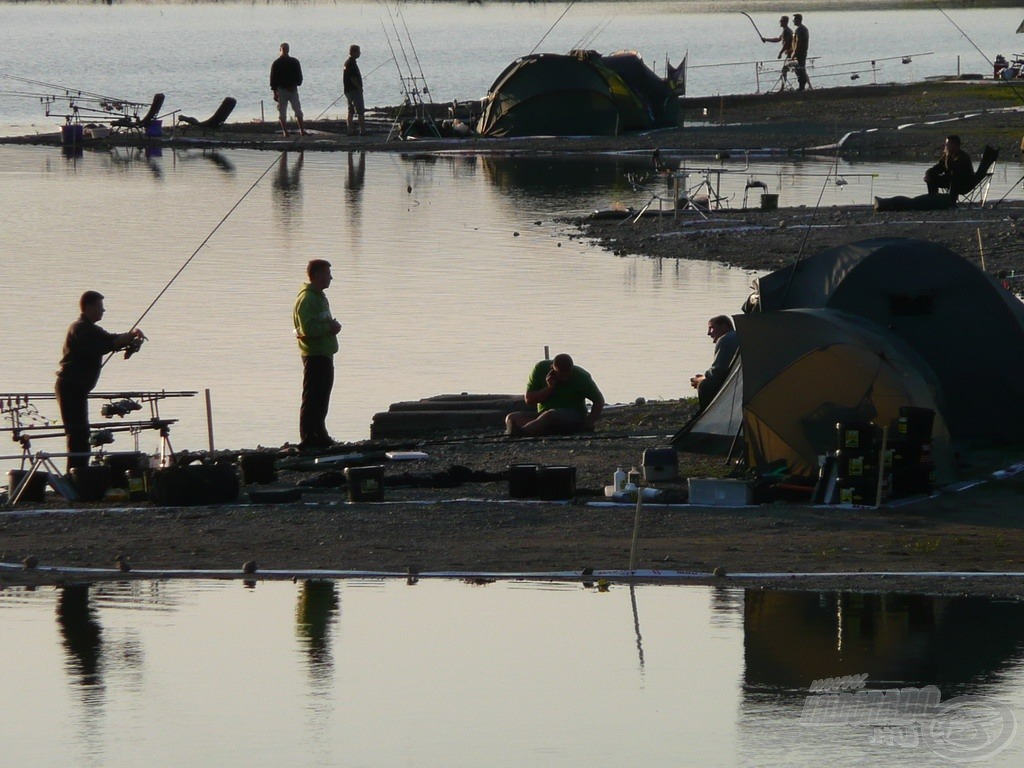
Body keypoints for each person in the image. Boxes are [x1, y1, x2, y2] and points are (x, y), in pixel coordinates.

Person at [55, 291, 145, 471]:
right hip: (69, 387)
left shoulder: (92, 329)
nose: (103, 310)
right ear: (88, 307)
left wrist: (130, 336)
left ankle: (79, 473)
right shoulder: (80, 328)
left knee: (81, 434)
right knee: (77, 434)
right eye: (100, 306)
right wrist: (118, 343)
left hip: (78, 389)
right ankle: (76, 475)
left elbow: (109, 339)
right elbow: (97, 348)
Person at [293, 259, 342, 450]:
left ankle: (320, 433)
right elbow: (307, 328)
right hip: (314, 354)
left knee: (322, 395)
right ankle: (308, 437)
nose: (330, 277)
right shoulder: (308, 299)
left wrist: (331, 327)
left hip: (325, 353)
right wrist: (329, 327)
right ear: (318, 275)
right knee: (313, 396)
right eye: (327, 273)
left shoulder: (319, 296)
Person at [505, 353, 605, 437]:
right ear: (552, 368)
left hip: (572, 415)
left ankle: (522, 433)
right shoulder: (540, 369)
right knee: (512, 418)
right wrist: (550, 388)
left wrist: (588, 422)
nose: (564, 378)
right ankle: (537, 429)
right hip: (543, 415)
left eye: (567, 375)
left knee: (551, 415)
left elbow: (598, 400)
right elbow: (529, 400)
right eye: (560, 374)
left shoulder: (582, 377)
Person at [690, 315, 739, 411]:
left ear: (724, 327)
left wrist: (700, 379)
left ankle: (708, 413)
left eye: (711, 328)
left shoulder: (725, 339)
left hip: (736, 382)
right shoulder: (738, 335)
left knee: (705, 385)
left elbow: (718, 371)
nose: (708, 333)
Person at [270, 42, 306, 137]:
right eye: (283, 49)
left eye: (286, 49)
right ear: (280, 50)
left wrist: (297, 84)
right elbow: (273, 79)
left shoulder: (294, 62)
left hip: (293, 89)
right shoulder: (276, 63)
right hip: (281, 90)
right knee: (282, 112)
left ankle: (302, 130)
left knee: (298, 111)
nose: (285, 51)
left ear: (288, 50)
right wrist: (274, 92)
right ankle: (285, 131)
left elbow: (299, 75)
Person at [924, 134, 975, 199]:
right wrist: (928, 174)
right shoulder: (947, 156)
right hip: (950, 180)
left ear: (955, 145)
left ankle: (951, 202)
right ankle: (933, 199)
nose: (946, 146)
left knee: (954, 179)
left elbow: (955, 171)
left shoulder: (963, 157)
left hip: (963, 184)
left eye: (948, 144)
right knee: (931, 177)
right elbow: (938, 167)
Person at [343, 44, 366, 136]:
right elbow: (353, 78)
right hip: (354, 90)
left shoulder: (348, 63)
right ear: (354, 52)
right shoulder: (351, 63)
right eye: (358, 51)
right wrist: (359, 88)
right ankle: (363, 131)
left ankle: (350, 130)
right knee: (360, 111)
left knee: (351, 111)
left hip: (348, 90)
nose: (360, 53)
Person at [791, 14, 810, 91]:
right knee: (800, 69)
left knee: (800, 69)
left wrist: (794, 53)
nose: (793, 21)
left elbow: (798, 42)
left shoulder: (800, 30)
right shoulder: (804, 29)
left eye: (794, 20)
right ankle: (802, 86)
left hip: (800, 53)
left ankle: (801, 87)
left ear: (798, 20)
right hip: (803, 52)